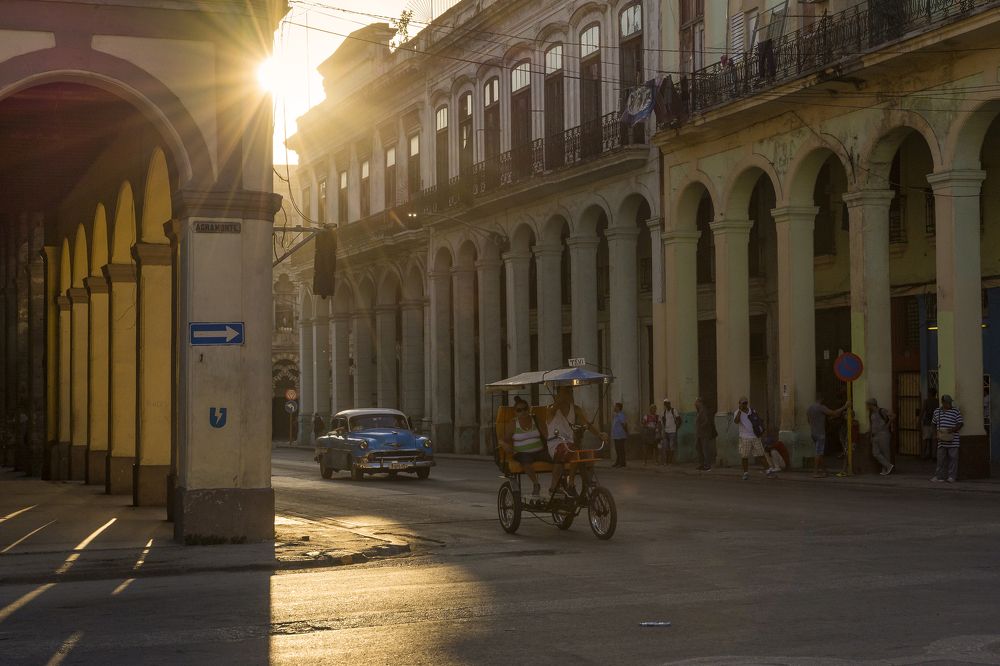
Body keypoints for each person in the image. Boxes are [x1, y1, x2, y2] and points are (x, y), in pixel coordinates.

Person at [544, 385, 608, 499]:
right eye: (565, 392)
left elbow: (587, 424)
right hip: (555, 444)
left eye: (570, 391)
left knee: (588, 455)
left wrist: (599, 434)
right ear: (558, 394)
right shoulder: (551, 410)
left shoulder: (576, 409)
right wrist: (561, 397)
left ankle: (587, 482)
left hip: (570, 444)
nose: (569, 394)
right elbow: (557, 404)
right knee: (575, 451)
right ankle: (571, 484)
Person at [500, 397, 547, 500]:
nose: (523, 412)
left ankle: (558, 487)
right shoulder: (513, 424)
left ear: (529, 409)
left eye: (525, 409)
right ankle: (536, 484)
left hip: (540, 451)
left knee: (557, 457)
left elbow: (547, 435)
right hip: (522, 453)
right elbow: (504, 440)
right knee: (525, 461)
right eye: (519, 410)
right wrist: (506, 446)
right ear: (515, 412)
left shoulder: (536, 420)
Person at [733, 397, 772, 480]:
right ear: (739, 403)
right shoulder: (737, 412)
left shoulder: (752, 411)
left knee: (761, 454)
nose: (744, 405)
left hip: (755, 436)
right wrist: (740, 411)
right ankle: (745, 473)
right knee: (744, 456)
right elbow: (736, 421)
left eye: (745, 403)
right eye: (742, 403)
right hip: (744, 437)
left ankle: (768, 471)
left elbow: (758, 421)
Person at [807, 394, 845, 478]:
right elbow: (834, 413)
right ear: (822, 399)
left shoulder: (809, 408)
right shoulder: (821, 407)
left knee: (820, 453)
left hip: (813, 433)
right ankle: (815, 472)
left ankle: (824, 471)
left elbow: (808, 421)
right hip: (820, 434)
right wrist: (844, 407)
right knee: (818, 453)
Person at [931, 394, 964, 483]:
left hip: (953, 440)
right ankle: (939, 476)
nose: (949, 404)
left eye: (950, 403)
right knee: (940, 459)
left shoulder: (955, 411)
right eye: (947, 403)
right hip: (941, 440)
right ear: (943, 403)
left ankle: (952, 477)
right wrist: (934, 434)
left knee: (953, 459)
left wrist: (953, 429)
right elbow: (933, 423)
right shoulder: (937, 411)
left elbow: (960, 423)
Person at [866, 398, 895, 475]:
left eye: (868, 405)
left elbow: (893, 416)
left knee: (885, 452)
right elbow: (872, 424)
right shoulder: (871, 413)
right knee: (875, 453)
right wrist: (870, 435)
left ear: (871, 404)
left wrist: (888, 424)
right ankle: (888, 466)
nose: (867, 406)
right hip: (875, 435)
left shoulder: (882, 411)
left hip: (883, 434)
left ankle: (885, 469)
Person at [694, 397, 716, 471]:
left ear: (700, 403)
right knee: (699, 448)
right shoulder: (700, 411)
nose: (695, 404)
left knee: (705, 449)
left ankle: (707, 465)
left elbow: (706, 421)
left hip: (704, 433)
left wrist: (700, 427)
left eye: (696, 402)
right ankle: (702, 464)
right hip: (700, 434)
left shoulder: (703, 410)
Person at [919, 388, 939, 460]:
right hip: (935, 423)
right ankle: (934, 456)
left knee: (925, 439)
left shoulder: (926, 401)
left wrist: (918, 421)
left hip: (927, 422)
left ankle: (923, 455)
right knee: (934, 440)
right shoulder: (938, 402)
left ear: (930, 393)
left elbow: (922, 411)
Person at [661, 398, 680, 466]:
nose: (665, 406)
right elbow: (663, 420)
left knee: (672, 446)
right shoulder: (664, 412)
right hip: (666, 431)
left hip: (672, 431)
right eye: (665, 404)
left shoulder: (673, 411)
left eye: (666, 404)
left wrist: (676, 427)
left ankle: (670, 461)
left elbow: (679, 419)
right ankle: (667, 461)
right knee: (666, 447)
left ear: (669, 404)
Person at [611, 402, 628, 468]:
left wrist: (626, 432)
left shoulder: (621, 415)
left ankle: (622, 462)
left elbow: (624, 424)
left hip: (620, 435)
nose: (614, 408)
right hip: (616, 435)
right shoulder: (616, 415)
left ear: (618, 408)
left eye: (615, 406)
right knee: (617, 449)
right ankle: (618, 462)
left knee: (620, 449)